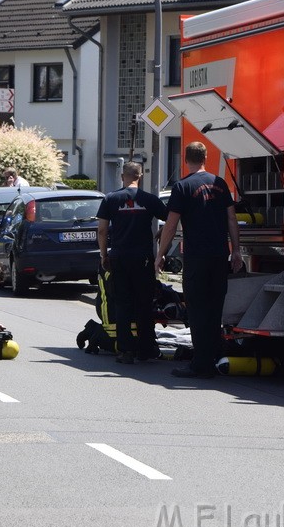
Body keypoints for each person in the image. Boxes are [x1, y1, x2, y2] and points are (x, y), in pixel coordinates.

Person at [156, 142, 242, 378]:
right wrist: (236, 250)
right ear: (206, 158)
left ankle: (200, 365)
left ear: (185, 159)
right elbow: (232, 220)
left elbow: (171, 225)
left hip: (196, 257)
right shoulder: (220, 184)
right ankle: (213, 357)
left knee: (197, 309)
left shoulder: (182, 186)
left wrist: (160, 254)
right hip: (218, 255)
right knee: (215, 309)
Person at [97, 161, 167, 364]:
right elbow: (171, 217)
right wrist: (162, 231)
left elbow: (102, 230)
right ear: (140, 176)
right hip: (143, 258)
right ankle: (145, 349)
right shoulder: (150, 199)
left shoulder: (111, 199)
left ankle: (125, 350)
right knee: (144, 303)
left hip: (119, 257)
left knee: (123, 304)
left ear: (122, 176)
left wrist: (104, 255)